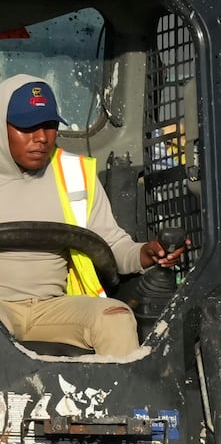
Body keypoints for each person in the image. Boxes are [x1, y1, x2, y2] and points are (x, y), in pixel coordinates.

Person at [0, 74, 186, 357]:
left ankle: (127, 401)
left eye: (49, 126)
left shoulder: (74, 175)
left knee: (115, 317)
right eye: (27, 127)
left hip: (51, 307)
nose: (41, 138)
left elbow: (111, 244)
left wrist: (147, 253)